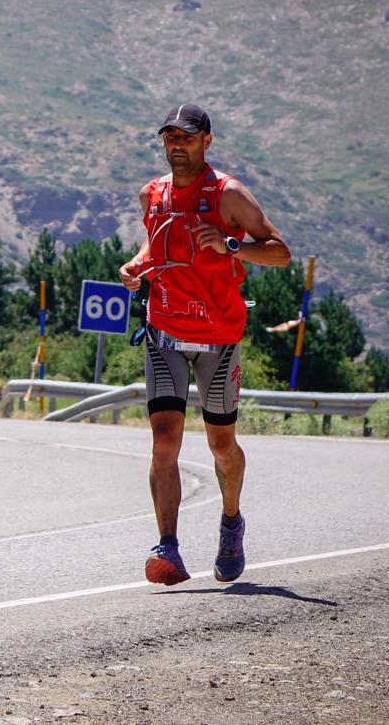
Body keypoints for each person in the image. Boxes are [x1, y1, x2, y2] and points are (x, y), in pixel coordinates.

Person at [118, 103, 290, 585]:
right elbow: (156, 244)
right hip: (164, 332)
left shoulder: (228, 194)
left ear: (206, 141)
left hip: (218, 338)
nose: (177, 144)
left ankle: (231, 522)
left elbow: (280, 253)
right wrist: (135, 266)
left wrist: (231, 245)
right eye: (170, 136)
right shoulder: (151, 194)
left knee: (221, 444)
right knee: (164, 441)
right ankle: (167, 549)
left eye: (187, 137)